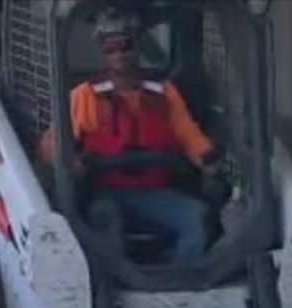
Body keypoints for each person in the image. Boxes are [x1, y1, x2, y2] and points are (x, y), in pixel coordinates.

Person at [39, 9, 221, 264]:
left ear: (137, 45)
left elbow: (191, 137)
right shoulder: (84, 96)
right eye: (110, 47)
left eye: (125, 45)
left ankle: (175, 283)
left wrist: (219, 166)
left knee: (198, 219)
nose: (119, 54)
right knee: (104, 220)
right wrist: (71, 162)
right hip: (105, 192)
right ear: (101, 52)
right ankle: (113, 289)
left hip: (154, 192)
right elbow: (51, 143)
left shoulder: (164, 93)